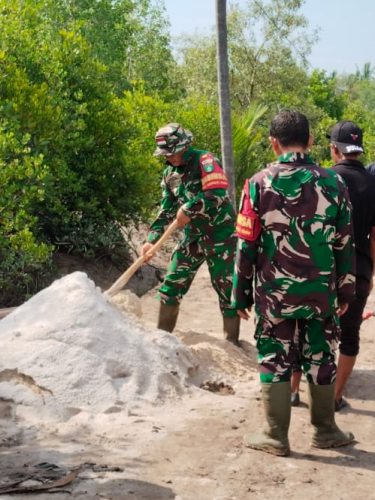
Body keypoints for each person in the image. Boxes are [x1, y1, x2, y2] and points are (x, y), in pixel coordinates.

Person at [233, 110, 355, 456]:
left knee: (274, 357)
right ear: (312, 141)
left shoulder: (257, 183)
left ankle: (276, 435)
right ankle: (326, 431)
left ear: (274, 143)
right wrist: (346, 290)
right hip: (320, 292)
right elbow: (345, 242)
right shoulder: (334, 182)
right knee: (321, 356)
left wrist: (239, 294)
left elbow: (246, 243)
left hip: (274, 294)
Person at [141, 123, 240, 344]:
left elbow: (217, 192)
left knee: (227, 290)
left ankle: (232, 342)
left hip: (221, 236)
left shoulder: (205, 161)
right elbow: (166, 209)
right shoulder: (170, 173)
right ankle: (162, 338)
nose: (170, 158)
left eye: (173, 153)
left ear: (185, 146)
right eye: (166, 155)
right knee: (171, 286)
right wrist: (151, 240)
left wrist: (189, 208)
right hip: (192, 238)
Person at [329, 122, 375, 411]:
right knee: (349, 333)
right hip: (358, 268)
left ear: (334, 149)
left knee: (312, 330)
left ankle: (295, 390)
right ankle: (335, 397)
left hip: (322, 268)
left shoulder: (323, 180)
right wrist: (372, 269)